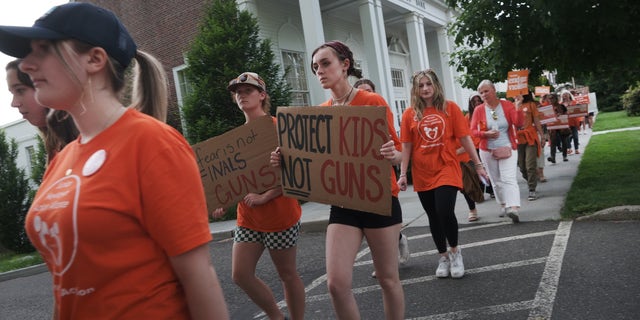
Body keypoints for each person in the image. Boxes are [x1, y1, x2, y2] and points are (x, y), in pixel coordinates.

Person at [0, 3, 229, 319]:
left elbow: (198, 277)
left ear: (94, 59)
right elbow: (65, 284)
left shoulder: (152, 143)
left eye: (44, 49)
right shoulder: (63, 159)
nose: (26, 64)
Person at [271, 40, 405, 319]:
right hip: (343, 204)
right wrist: (285, 162)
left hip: (379, 200)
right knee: (336, 284)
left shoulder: (372, 101)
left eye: (325, 63)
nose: (319, 70)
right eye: (315, 66)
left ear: (345, 65)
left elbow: (399, 153)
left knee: (387, 279)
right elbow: (312, 164)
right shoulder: (320, 112)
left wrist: (392, 154)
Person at [212, 72, 305, 320]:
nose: (241, 95)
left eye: (247, 90)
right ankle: (276, 316)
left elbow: (300, 174)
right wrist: (222, 200)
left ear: (262, 95)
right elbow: (236, 179)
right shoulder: (237, 139)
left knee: (287, 274)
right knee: (240, 274)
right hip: (249, 218)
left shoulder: (280, 128)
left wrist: (266, 196)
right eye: (238, 92)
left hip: (280, 216)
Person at [397, 69, 488, 279]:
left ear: (436, 85)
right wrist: (403, 174)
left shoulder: (450, 108)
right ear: (415, 89)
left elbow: (465, 138)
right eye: (420, 86)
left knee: (444, 209)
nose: (425, 89)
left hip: (446, 167)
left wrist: (478, 164)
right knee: (433, 215)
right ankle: (443, 256)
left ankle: (455, 252)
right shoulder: (409, 114)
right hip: (422, 171)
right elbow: (407, 146)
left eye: (429, 84)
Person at [353, 78, 410, 271]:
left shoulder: (382, 115)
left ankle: (395, 248)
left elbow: (399, 149)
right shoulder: (348, 123)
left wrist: (394, 156)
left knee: (385, 229)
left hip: (383, 184)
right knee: (370, 229)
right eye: (361, 92)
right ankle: (388, 256)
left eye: (369, 91)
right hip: (359, 187)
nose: (365, 96)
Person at [470, 80, 524, 223]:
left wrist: (518, 106)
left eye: (486, 91)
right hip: (487, 150)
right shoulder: (479, 110)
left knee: (509, 178)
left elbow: (518, 123)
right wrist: (485, 134)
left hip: (507, 146)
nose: (484, 95)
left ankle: (513, 208)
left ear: (494, 90)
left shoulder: (507, 105)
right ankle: (503, 204)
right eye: (481, 92)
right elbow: (473, 131)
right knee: (496, 181)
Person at [6, 59, 78, 162]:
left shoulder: (90, 143)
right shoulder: (55, 148)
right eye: (12, 93)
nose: (14, 103)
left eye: (20, 90)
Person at [514, 91, 543, 201]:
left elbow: (537, 121)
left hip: (530, 137)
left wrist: (543, 136)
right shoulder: (512, 106)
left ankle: (532, 189)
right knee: (522, 167)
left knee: (530, 164)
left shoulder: (531, 105)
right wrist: (517, 105)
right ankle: (532, 180)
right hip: (518, 139)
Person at [468, 94, 495, 199]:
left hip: (488, 145)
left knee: (489, 169)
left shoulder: (491, 111)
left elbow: (496, 122)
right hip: (475, 147)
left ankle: (492, 190)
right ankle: (480, 192)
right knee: (478, 170)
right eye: (474, 102)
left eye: (478, 100)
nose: (477, 103)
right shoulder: (468, 117)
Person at [547, 93, 570, 163]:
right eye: (549, 99)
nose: (550, 100)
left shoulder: (562, 106)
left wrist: (561, 115)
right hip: (553, 127)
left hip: (561, 126)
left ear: (556, 99)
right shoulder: (548, 108)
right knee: (553, 142)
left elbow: (567, 114)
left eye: (552, 98)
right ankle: (552, 157)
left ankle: (565, 156)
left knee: (564, 141)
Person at [561, 90, 580, 154]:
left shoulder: (574, 102)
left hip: (574, 121)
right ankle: (569, 148)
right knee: (567, 137)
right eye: (564, 94)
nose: (565, 95)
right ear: (562, 96)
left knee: (575, 136)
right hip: (565, 122)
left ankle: (576, 149)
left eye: (566, 94)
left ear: (569, 95)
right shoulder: (561, 104)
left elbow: (578, 110)